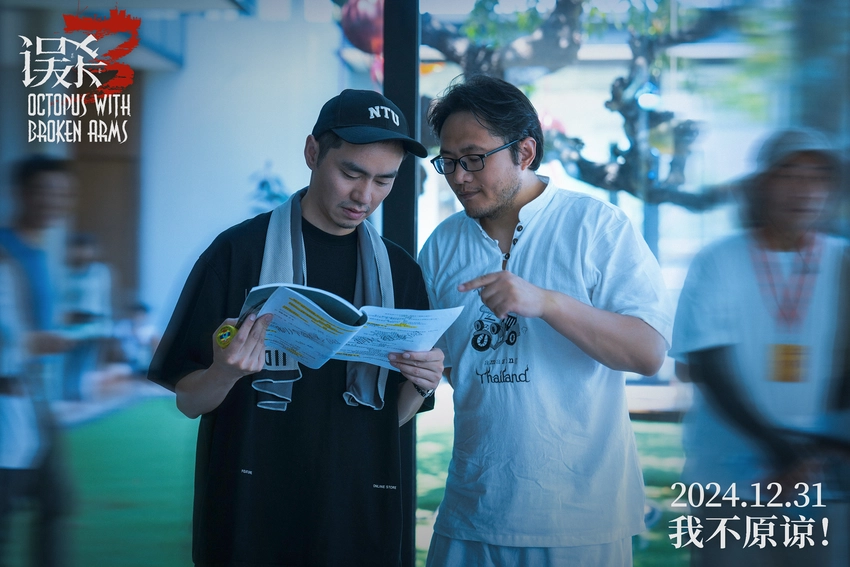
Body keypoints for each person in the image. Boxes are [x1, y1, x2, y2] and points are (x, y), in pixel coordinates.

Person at [148, 89, 444, 567]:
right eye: (351, 173)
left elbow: (386, 421)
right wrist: (225, 372)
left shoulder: (400, 272)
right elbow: (188, 400)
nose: (365, 196)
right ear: (312, 152)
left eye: (384, 180)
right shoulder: (236, 253)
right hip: (252, 509)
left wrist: (420, 383)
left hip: (356, 513)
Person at [418, 74, 673, 566]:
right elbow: (445, 363)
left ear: (525, 151)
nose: (458, 177)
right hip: (471, 512)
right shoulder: (443, 244)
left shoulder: (596, 226)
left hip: (580, 520)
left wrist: (548, 303)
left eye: (473, 158)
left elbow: (647, 352)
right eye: (447, 161)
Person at [670, 128, 849, 566]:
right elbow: (710, 367)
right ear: (761, 184)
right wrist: (783, 451)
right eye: (789, 174)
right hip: (728, 480)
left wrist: (811, 456)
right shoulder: (718, 260)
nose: (804, 189)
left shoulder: (843, 261)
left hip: (822, 481)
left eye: (817, 177)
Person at [0, 154, 76, 567]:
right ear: (21, 193)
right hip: (8, 397)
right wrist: (33, 343)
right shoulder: (4, 253)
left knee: (56, 500)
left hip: (34, 396)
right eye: (45, 192)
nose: (54, 202)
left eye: (62, 194)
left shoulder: (41, 253)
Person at [61, 232, 113, 400]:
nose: (81, 252)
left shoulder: (100, 272)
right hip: (70, 325)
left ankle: (82, 395)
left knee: (86, 363)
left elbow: (105, 300)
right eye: (78, 248)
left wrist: (107, 327)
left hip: (93, 324)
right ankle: (66, 396)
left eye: (86, 248)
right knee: (69, 363)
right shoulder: (64, 272)